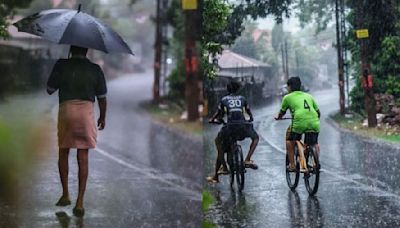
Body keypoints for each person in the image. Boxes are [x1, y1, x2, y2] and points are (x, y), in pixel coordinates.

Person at [47, 45, 107, 217]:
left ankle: (65, 194)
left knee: (63, 152)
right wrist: (102, 117)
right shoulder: (95, 69)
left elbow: (49, 89)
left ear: (71, 50)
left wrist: (62, 72)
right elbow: (102, 98)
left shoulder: (61, 65)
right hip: (86, 114)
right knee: (83, 156)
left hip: (66, 111)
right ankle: (80, 202)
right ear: (87, 51)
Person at [206, 81, 259, 183]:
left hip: (230, 128)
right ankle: (247, 159)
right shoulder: (242, 98)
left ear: (227, 89)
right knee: (256, 138)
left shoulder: (224, 99)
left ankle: (223, 168)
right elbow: (248, 111)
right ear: (238, 89)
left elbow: (219, 113)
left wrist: (212, 119)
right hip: (243, 127)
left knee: (218, 143)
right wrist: (251, 118)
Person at [275, 77, 320, 172]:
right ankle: (316, 161)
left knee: (290, 140)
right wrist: (314, 120)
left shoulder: (287, 97)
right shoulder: (309, 96)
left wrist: (278, 117)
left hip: (299, 123)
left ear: (290, 87)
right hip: (314, 121)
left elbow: (282, 112)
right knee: (314, 143)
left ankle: (292, 165)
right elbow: (318, 112)